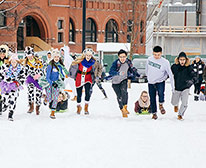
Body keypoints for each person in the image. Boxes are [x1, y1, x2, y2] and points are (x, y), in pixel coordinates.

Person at [146, 46, 174, 120]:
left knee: (161, 93)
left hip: (160, 81)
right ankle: (154, 113)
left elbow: (170, 74)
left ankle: (161, 104)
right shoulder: (149, 59)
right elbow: (147, 69)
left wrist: (173, 87)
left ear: (161, 53)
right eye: (155, 54)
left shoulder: (165, 62)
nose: (156, 56)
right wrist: (148, 78)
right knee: (152, 98)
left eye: (158, 55)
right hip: (151, 82)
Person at [109, 49, 137, 118]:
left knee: (124, 92)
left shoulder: (128, 62)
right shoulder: (116, 63)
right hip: (115, 82)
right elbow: (111, 72)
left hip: (123, 79)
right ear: (118, 57)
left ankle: (125, 106)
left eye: (124, 57)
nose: (122, 58)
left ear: (126, 57)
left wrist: (134, 74)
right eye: (121, 57)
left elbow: (131, 70)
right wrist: (118, 73)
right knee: (119, 96)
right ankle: (122, 109)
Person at [69, 48, 96, 115]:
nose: (88, 57)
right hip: (79, 77)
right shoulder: (79, 61)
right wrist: (71, 74)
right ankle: (78, 107)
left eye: (89, 55)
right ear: (84, 55)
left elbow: (95, 70)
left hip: (88, 78)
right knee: (79, 94)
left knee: (87, 93)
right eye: (87, 55)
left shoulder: (93, 63)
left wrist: (96, 76)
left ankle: (86, 107)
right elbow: (73, 67)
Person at [171, 52, 197, 120]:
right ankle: (176, 105)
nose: (182, 61)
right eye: (181, 59)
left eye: (183, 59)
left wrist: (191, 82)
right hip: (177, 87)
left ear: (186, 60)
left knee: (185, 103)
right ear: (178, 60)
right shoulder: (174, 67)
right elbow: (169, 74)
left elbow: (194, 76)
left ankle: (180, 114)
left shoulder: (189, 68)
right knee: (173, 102)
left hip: (185, 87)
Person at [0, 52, 25, 121]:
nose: (13, 63)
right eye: (12, 61)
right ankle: (5, 105)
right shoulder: (5, 67)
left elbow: (23, 77)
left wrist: (19, 82)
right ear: (10, 61)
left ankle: (10, 114)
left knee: (13, 100)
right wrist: (6, 79)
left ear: (17, 62)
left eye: (15, 61)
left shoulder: (20, 69)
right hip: (6, 85)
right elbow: (1, 75)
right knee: (5, 98)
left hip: (14, 86)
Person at [45, 49, 69, 119]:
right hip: (49, 82)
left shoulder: (59, 65)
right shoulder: (50, 65)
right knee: (50, 99)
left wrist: (63, 78)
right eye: (55, 57)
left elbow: (61, 73)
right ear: (53, 57)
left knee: (55, 98)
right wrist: (51, 83)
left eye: (57, 57)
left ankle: (52, 113)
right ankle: (46, 99)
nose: (56, 58)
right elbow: (47, 76)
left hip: (56, 83)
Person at [24, 46, 44, 115]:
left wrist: (39, 75)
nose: (30, 57)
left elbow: (44, 69)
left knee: (38, 93)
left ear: (33, 54)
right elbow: (25, 72)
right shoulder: (26, 63)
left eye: (31, 55)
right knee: (30, 92)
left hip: (38, 79)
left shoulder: (39, 61)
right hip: (30, 79)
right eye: (28, 56)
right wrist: (29, 75)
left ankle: (37, 107)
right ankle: (31, 106)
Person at [0, 44, 9, 115]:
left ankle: (5, 104)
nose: (2, 55)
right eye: (1, 54)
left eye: (3, 54)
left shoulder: (7, 61)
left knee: (5, 94)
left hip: (5, 80)